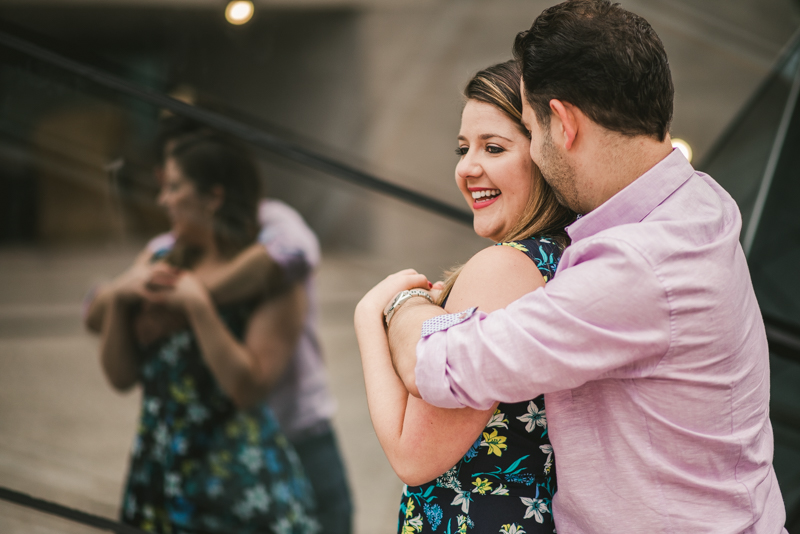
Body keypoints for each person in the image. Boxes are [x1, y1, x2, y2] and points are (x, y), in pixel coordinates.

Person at [368, 1, 788, 532]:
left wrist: (398, 303)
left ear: (562, 123)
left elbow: (446, 363)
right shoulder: (702, 202)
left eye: (527, 130)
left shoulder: (637, 267)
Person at [85, 117, 353, 534]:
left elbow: (295, 256)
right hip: (161, 470)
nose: (162, 198)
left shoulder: (274, 235)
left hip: (263, 459)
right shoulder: (163, 258)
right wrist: (122, 296)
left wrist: (194, 303)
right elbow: (110, 349)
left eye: (174, 184)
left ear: (214, 194)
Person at [355, 61, 575, 533]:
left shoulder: (507, 267)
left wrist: (375, 313)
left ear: (545, 151)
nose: (466, 168)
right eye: (463, 148)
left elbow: (413, 454)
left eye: (493, 147)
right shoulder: (566, 255)